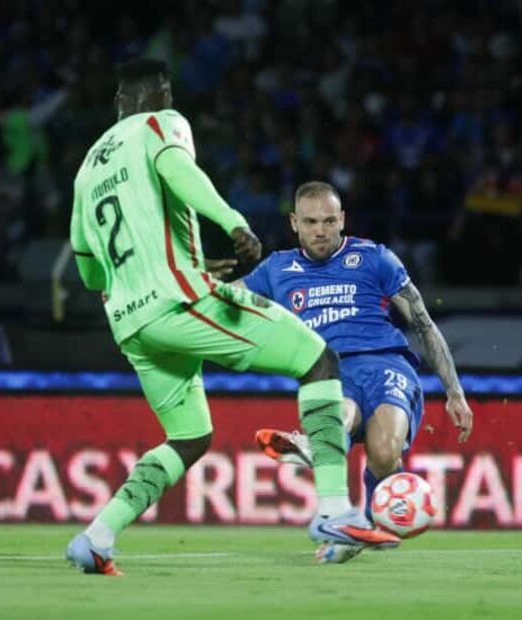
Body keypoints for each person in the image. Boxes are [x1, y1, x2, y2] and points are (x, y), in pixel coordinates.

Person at [65, 59, 397, 576]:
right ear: (161, 93)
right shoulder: (161, 124)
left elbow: (90, 273)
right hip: (180, 302)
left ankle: (96, 538)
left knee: (190, 437)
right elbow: (179, 171)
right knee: (318, 360)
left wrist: (179, 261)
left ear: (117, 101)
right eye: (166, 93)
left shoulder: (87, 168)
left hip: (131, 325)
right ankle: (333, 509)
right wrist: (233, 222)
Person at [241, 181, 473, 562]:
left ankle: (350, 506)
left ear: (342, 219)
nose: (321, 230)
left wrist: (454, 391)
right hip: (329, 372)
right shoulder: (276, 269)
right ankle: (319, 451)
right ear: (294, 222)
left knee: (384, 453)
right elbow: (224, 299)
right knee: (341, 406)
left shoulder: (374, 257)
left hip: (386, 365)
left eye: (330, 221)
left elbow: (422, 322)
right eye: (312, 221)